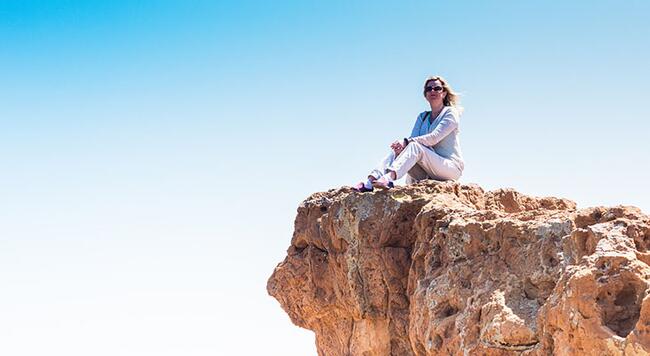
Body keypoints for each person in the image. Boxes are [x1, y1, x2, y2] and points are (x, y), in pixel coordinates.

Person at [352, 75, 465, 191]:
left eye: (437, 88)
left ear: (444, 93)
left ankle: (388, 178)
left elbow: (434, 138)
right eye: (429, 89)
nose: (432, 91)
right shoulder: (423, 117)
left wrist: (405, 142)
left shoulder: (450, 113)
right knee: (400, 148)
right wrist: (401, 147)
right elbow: (412, 141)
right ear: (425, 95)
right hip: (427, 171)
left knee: (411, 145)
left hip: (450, 168)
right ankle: (370, 181)